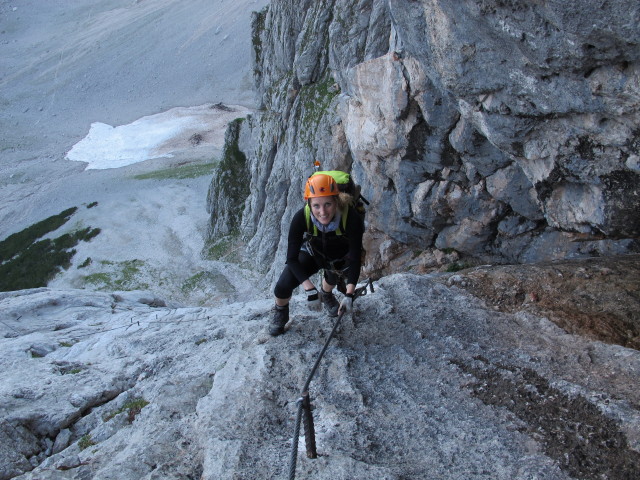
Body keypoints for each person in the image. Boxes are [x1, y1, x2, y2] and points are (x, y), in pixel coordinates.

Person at [269, 173, 364, 336]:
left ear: (337, 200)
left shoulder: (351, 218)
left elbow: (355, 258)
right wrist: (310, 289)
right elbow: (291, 259)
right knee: (282, 286)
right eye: (316, 206)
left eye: (328, 204)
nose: (323, 212)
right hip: (313, 254)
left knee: (332, 277)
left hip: (340, 256)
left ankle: (326, 294)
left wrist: (349, 294)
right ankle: (280, 311)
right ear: (309, 204)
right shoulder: (301, 217)